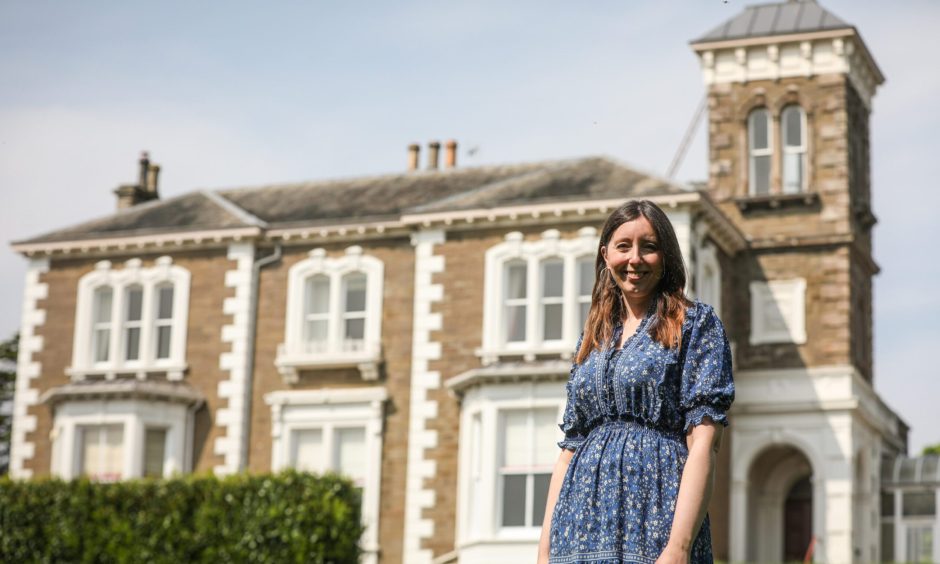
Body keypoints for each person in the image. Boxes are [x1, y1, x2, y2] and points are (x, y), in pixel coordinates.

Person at [537, 200, 734, 564]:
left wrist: (679, 546)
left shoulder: (695, 324)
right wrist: (545, 549)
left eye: (649, 246)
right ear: (606, 255)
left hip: (655, 518)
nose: (635, 258)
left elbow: (705, 441)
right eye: (623, 246)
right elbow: (568, 452)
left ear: (666, 256)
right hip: (576, 529)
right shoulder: (593, 337)